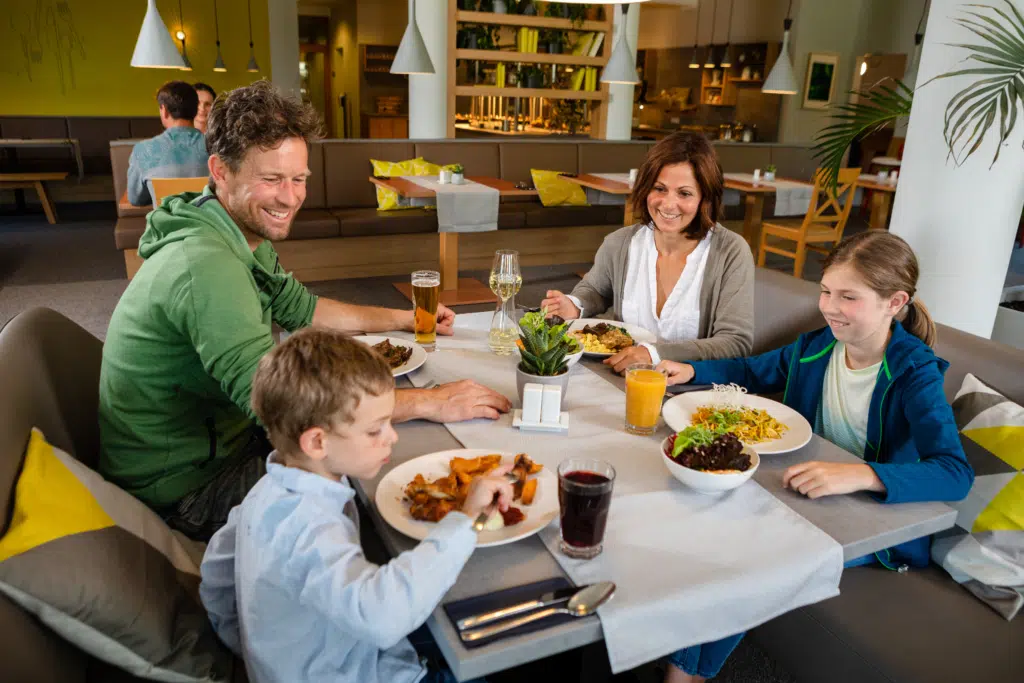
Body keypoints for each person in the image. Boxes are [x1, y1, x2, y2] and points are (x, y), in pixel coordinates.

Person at [99, 81, 510, 541]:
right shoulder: (206, 263)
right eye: (271, 179)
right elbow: (277, 405)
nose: (290, 198)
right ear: (220, 171)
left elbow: (305, 310)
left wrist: (410, 317)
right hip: (187, 488)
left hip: (222, 443)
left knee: (384, 450)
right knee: (384, 490)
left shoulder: (231, 231)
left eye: (299, 179)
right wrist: (431, 401)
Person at [656, 231, 974, 683]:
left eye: (848, 297)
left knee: (745, 558)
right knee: (705, 525)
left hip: (871, 521)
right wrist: (693, 370)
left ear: (893, 302)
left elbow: (955, 473)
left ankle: (685, 674)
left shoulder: (914, 372)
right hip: (806, 493)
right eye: (826, 291)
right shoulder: (817, 346)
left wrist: (860, 475)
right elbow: (752, 369)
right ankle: (685, 667)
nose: (829, 306)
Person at [199, 327, 508, 683]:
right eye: (376, 429)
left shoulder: (266, 489)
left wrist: (250, 653)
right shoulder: (310, 527)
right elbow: (383, 617)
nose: (391, 436)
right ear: (317, 442)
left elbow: (217, 575)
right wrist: (465, 519)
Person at [541, 132, 754, 374]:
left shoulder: (731, 252)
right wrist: (575, 305)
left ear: (705, 198)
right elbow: (595, 290)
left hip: (691, 390)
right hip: (618, 377)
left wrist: (653, 353)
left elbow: (736, 343)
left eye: (684, 193)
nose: (668, 204)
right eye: (660, 189)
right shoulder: (620, 243)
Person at [126, 80, 209, 206]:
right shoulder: (217, 147)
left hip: (165, 225)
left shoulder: (143, 150)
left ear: (164, 110)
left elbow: (135, 199)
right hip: (208, 224)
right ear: (196, 110)